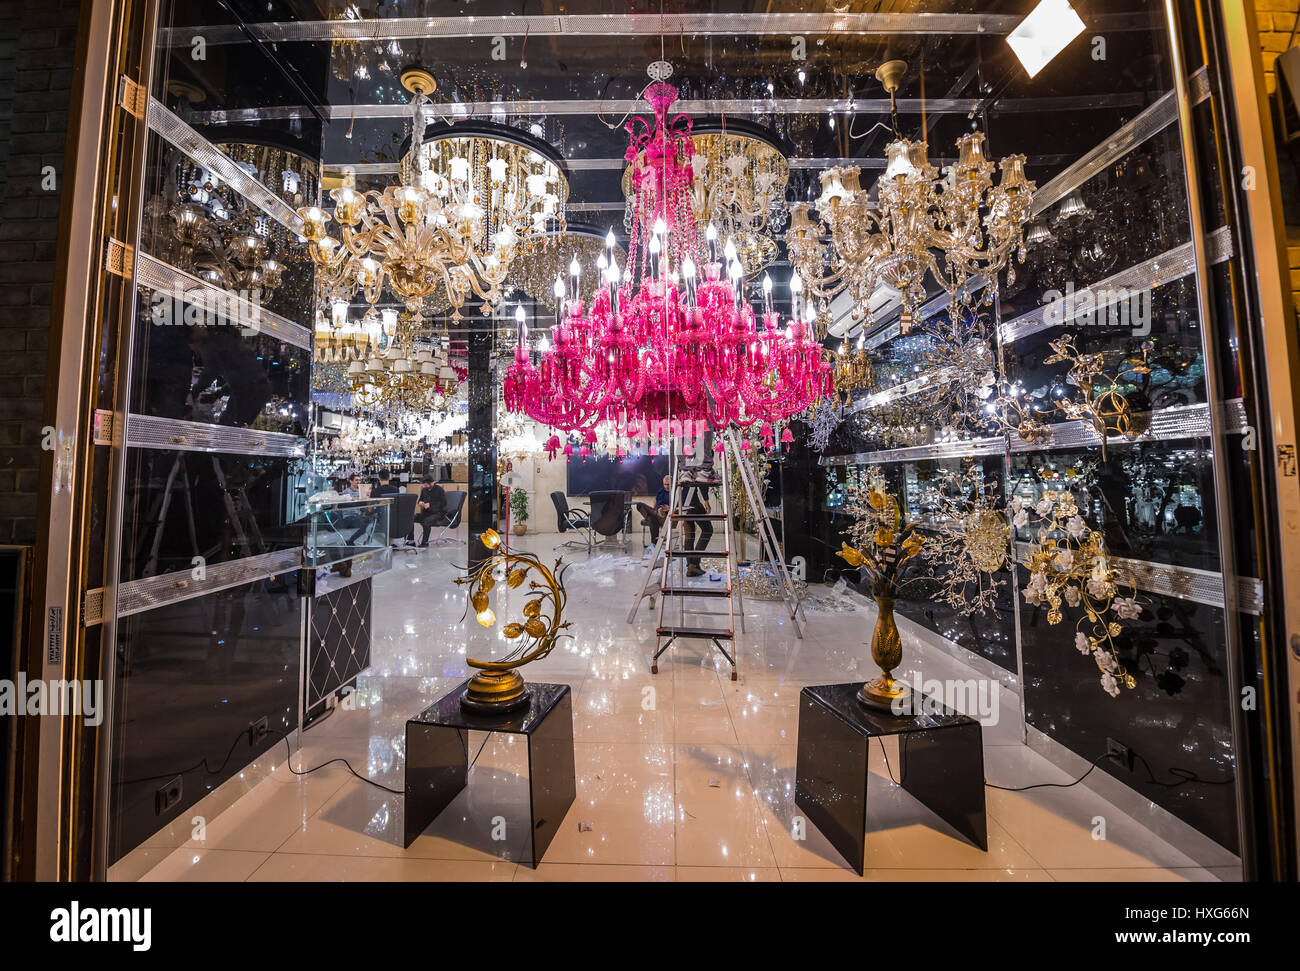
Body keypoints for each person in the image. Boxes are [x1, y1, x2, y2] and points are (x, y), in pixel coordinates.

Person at [679, 475, 713, 577]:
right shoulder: (700, 462)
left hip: (683, 504)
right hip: (693, 503)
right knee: (708, 530)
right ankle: (694, 563)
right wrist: (706, 500)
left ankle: (691, 567)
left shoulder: (683, 464)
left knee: (689, 535)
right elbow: (702, 481)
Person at [414, 473, 449, 547]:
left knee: (426, 521)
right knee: (411, 517)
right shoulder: (424, 490)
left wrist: (430, 505)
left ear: (431, 483)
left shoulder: (439, 489)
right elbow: (420, 499)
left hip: (438, 513)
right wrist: (420, 502)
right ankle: (410, 541)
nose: (424, 486)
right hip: (426, 512)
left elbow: (443, 503)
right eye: (424, 484)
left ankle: (424, 543)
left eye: (426, 484)